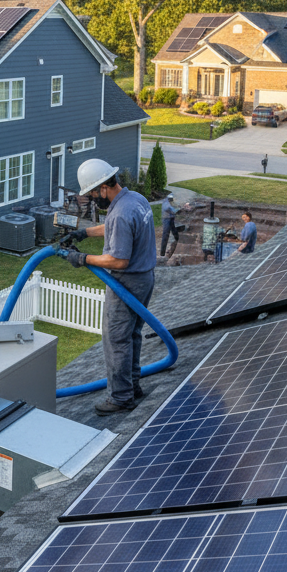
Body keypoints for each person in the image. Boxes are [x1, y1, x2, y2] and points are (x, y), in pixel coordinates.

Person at [64, 159, 157, 416]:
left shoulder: (121, 212)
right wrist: (84, 233)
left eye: (93, 193)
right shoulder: (135, 199)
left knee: (116, 339)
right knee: (132, 335)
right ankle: (133, 385)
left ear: (104, 187)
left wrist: (82, 259)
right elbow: (115, 228)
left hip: (127, 280)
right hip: (145, 277)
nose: (93, 199)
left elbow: (118, 259)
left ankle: (121, 397)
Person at [159, 193, 190, 258]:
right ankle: (162, 252)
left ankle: (177, 246)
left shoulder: (173, 200)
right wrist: (180, 209)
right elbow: (170, 209)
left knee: (175, 233)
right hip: (166, 219)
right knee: (165, 235)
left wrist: (182, 207)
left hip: (172, 218)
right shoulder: (166, 203)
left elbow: (177, 205)